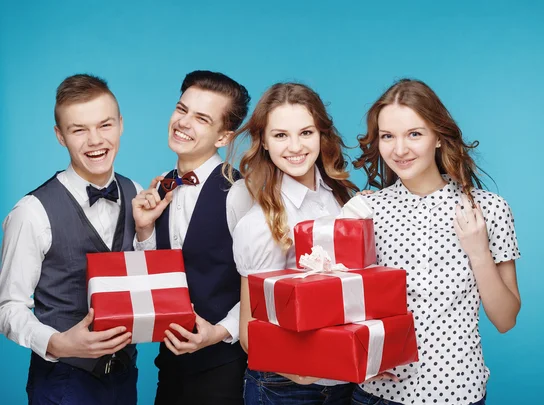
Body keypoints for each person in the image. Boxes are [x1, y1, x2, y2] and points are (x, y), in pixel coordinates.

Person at [351, 78, 521, 405]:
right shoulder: (365, 210)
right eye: (388, 136)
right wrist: (357, 356)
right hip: (377, 395)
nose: (399, 150)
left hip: (458, 392)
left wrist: (478, 251)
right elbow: (342, 303)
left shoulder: (489, 209)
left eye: (414, 134)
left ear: (439, 138)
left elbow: (505, 319)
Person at [0, 74, 141, 404]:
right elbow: (7, 307)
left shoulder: (136, 192)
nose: (95, 140)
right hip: (63, 382)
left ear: (121, 125)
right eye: (78, 129)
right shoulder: (31, 212)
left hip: (125, 378)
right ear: (60, 136)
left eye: (104, 125)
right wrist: (57, 343)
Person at [228, 82, 359, 404]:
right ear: (264, 142)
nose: (295, 146)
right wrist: (301, 370)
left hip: (346, 380)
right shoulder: (259, 220)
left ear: (321, 135)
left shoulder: (343, 197)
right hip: (284, 385)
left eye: (306, 132)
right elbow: (250, 332)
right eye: (280, 135)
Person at [132, 70, 252, 405]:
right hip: (170, 365)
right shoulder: (163, 184)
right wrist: (143, 229)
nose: (183, 123)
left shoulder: (239, 191)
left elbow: (262, 284)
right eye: (182, 109)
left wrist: (220, 332)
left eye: (201, 118)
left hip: (225, 369)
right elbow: (157, 278)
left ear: (223, 137)